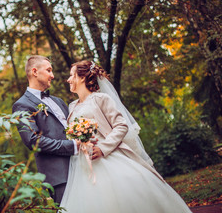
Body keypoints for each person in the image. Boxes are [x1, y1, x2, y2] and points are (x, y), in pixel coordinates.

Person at [60, 60, 192, 212]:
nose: (69, 79)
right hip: (82, 164)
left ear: (82, 78)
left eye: (72, 75)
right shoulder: (72, 106)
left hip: (108, 158)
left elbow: (121, 125)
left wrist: (102, 148)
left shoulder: (101, 99)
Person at [12, 55, 80, 204]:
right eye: (49, 70)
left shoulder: (59, 102)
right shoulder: (21, 105)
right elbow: (33, 140)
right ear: (35, 72)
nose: (52, 75)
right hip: (59, 177)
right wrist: (72, 146)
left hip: (81, 168)